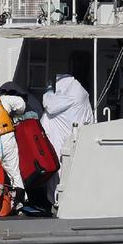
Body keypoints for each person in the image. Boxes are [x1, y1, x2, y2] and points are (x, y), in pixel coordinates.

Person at [40, 74, 94, 204]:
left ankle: (57, 202)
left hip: (64, 139)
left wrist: (48, 90)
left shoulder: (73, 95)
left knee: (60, 172)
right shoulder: (80, 93)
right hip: (73, 137)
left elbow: (50, 105)